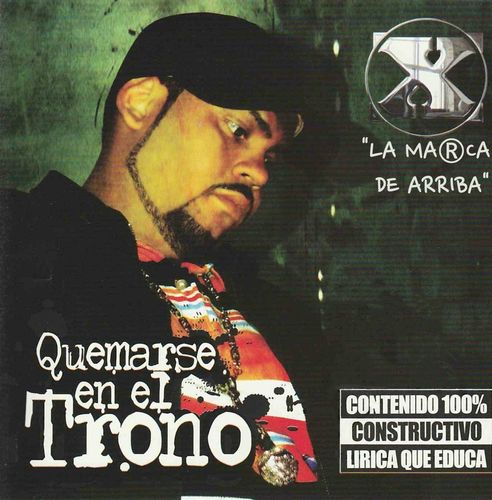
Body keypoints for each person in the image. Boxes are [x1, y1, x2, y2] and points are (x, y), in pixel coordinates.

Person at [0, 13, 329, 498]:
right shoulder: (17, 257)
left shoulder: (284, 317)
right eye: (238, 130)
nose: (260, 174)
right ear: (142, 103)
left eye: (271, 156)